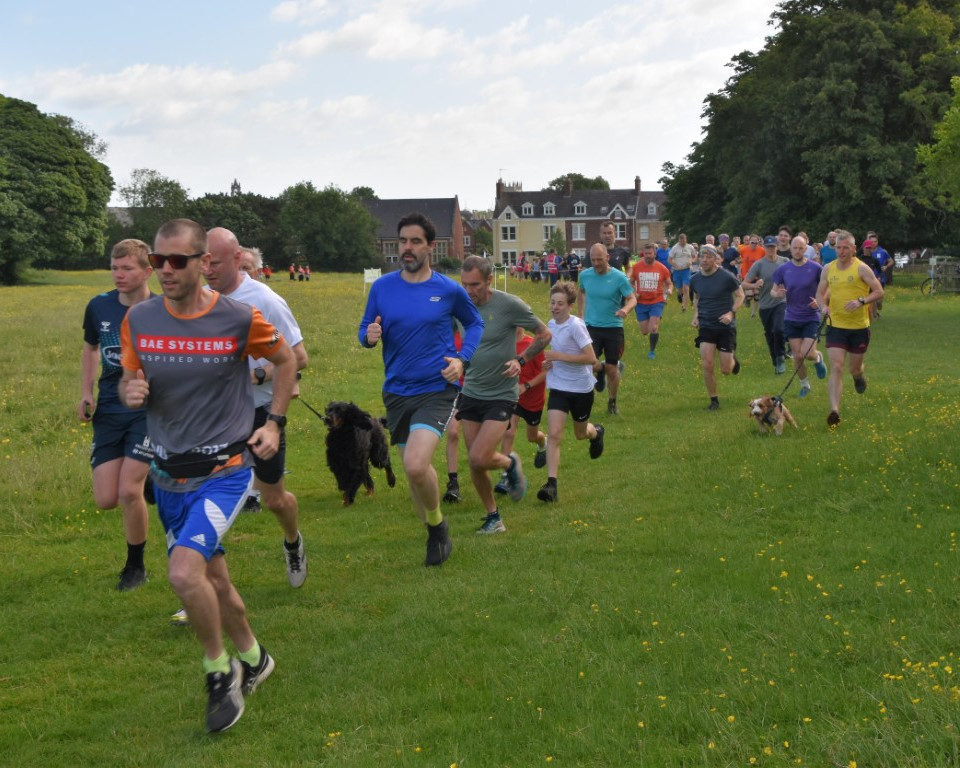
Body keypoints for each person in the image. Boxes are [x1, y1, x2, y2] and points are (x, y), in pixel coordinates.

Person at [119, 218, 297, 733]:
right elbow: (133, 378)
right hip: (169, 474)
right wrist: (131, 390)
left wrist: (276, 425)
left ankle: (220, 673)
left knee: (181, 573)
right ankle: (256, 656)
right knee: (213, 581)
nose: (166, 270)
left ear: (203, 264)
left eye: (178, 261)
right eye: (158, 261)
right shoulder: (141, 319)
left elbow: (287, 361)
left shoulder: (239, 318)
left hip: (226, 469)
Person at [358, 212, 483, 566]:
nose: (407, 248)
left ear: (430, 246)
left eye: (415, 241)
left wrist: (462, 359)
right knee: (416, 480)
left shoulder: (447, 289)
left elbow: (475, 323)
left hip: (437, 387)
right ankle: (436, 525)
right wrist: (368, 337)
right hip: (397, 391)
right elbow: (366, 327)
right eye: (402, 241)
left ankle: (438, 529)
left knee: (414, 465)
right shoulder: (383, 287)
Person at [205, 227, 309, 587]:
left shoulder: (264, 300)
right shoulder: (198, 298)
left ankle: (293, 541)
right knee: (204, 497)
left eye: (214, 262)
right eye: (202, 261)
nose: (207, 269)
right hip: (215, 414)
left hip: (260, 415)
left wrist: (257, 373)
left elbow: (298, 357)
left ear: (237, 259)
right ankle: (201, 584)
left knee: (274, 499)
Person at [79, 238, 156, 591]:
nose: (119, 274)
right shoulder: (98, 307)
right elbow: (91, 347)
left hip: (149, 411)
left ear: (146, 271)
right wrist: (85, 393)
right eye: (114, 267)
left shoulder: (164, 309)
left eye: (127, 268)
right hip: (109, 408)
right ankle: (154, 474)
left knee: (128, 491)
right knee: (106, 498)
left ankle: (135, 566)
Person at [456, 255, 551, 533]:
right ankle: (493, 517)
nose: (469, 290)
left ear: (489, 280)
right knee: (476, 461)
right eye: (464, 284)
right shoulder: (460, 306)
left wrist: (520, 361)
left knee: (478, 456)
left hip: (501, 393)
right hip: (471, 389)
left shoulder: (509, 305)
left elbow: (544, 334)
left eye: (475, 284)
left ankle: (510, 464)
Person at [537, 280, 605, 502]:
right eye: (552, 303)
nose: (554, 307)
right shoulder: (551, 325)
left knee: (579, 433)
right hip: (558, 386)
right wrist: (550, 364)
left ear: (569, 305)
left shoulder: (576, 326)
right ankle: (551, 486)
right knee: (554, 434)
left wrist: (558, 357)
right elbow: (555, 355)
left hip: (581, 389)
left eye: (560, 304)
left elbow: (591, 358)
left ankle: (596, 433)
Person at [815, 229, 884, 427]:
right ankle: (834, 410)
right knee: (836, 367)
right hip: (836, 325)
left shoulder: (862, 269)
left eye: (846, 248)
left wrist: (862, 301)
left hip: (859, 327)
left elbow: (879, 291)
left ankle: (859, 376)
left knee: (853, 368)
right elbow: (820, 294)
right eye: (838, 247)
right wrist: (823, 307)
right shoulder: (828, 268)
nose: (842, 251)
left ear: (854, 248)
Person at [577, 242, 637, 416]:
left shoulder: (619, 278)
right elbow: (580, 292)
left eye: (599, 260)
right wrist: (580, 315)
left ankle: (612, 402)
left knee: (612, 369)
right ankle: (600, 369)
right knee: (589, 364)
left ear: (607, 258)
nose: (596, 263)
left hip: (613, 327)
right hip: (591, 327)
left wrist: (625, 309)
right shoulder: (585, 275)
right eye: (593, 260)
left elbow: (632, 299)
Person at [771, 236, 828, 397]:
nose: (797, 251)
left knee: (808, 353)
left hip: (811, 316)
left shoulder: (816, 268)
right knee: (797, 356)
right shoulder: (784, 269)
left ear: (806, 249)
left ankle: (818, 359)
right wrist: (777, 294)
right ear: (791, 249)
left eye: (800, 248)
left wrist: (820, 302)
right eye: (795, 248)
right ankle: (805, 386)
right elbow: (773, 290)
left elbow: (827, 288)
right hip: (791, 317)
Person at [690, 244, 745, 410]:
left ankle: (733, 362)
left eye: (709, 257)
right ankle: (714, 400)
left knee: (726, 370)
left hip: (725, 326)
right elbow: (698, 298)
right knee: (707, 364)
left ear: (716, 259)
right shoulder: (695, 279)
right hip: (706, 324)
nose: (705, 260)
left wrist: (731, 313)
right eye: (702, 256)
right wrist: (696, 316)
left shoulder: (727, 277)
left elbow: (740, 295)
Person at [742, 235, 788, 374]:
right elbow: (744, 284)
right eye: (768, 247)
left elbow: (793, 278)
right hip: (765, 305)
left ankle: (780, 357)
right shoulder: (759, 264)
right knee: (770, 334)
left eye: (773, 247)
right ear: (765, 248)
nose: (770, 250)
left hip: (781, 301)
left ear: (777, 247)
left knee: (779, 329)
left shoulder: (784, 262)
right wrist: (755, 284)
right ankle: (775, 359)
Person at [630, 242, 673, 359]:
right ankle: (655, 318)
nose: (648, 256)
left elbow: (669, 283)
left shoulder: (662, 268)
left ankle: (652, 352)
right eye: (646, 254)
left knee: (653, 328)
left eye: (650, 253)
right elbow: (630, 282)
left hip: (657, 301)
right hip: (641, 302)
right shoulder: (636, 267)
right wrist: (634, 292)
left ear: (655, 254)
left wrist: (669, 290)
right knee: (645, 331)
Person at [668, 233, 696, 311]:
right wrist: (675, 265)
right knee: (679, 289)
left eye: (684, 240)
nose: (683, 242)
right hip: (677, 271)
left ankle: (684, 307)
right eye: (681, 241)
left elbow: (694, 257)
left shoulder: (690, 247)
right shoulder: (675, 248)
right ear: (679, 240)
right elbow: (669, 259)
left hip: (686, 270)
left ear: (686, 240)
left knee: (686, 288)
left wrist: (691, 261)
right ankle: (679, 295)